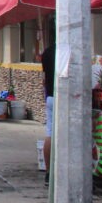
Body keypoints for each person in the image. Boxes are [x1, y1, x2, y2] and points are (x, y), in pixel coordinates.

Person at [41, 42, 55, 186]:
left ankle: (48, 172)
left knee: (50, 133)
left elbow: (44, 79)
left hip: (50, 96)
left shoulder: (47, 52)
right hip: (65, 98)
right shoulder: (71, 50)